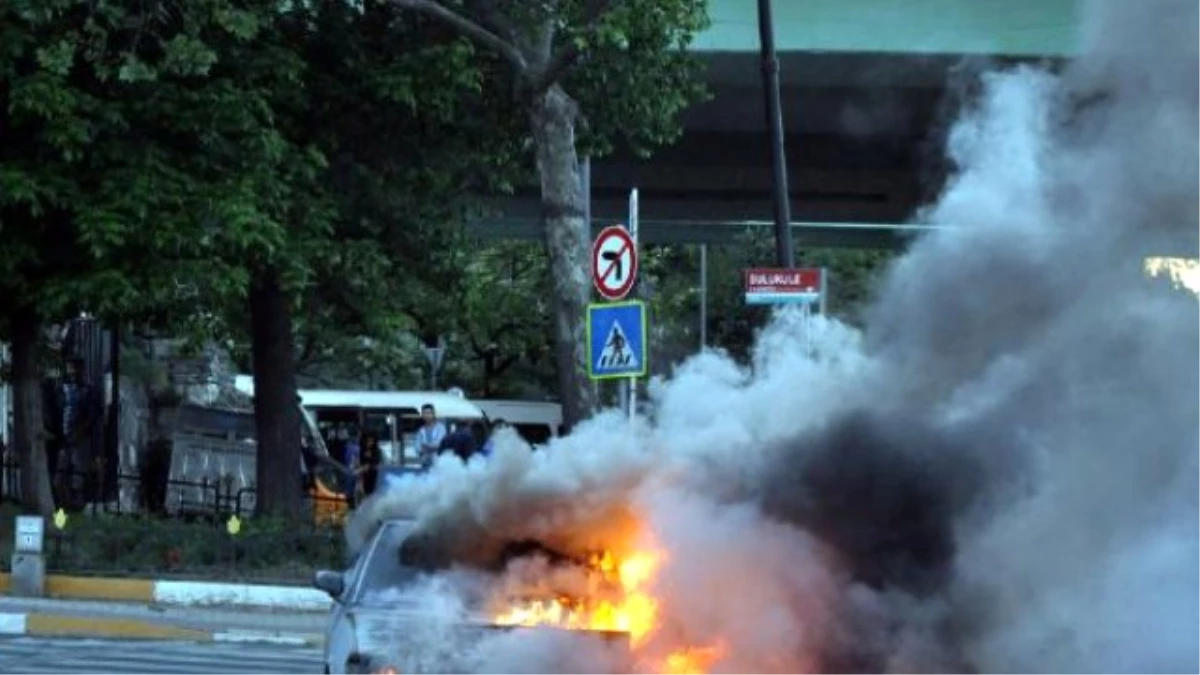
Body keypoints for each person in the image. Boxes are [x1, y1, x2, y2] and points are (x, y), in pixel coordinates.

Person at [55, 357, 99, 509]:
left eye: (75, 369)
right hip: (65, 438)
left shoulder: (87, 390)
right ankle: (64, 513)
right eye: (70, 369)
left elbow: (91, 416)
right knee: (60, 479)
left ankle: (75, 512)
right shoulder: (63, 389)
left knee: (77, 479)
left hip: (80, 437)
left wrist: (79, 433)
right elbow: (59, 412)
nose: (72, 373)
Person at [415, 404, 447, 468]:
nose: (427, 415)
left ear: (433, 414)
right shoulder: (421, 430)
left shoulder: (441, 428)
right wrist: (430, 448)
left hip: (438, 463)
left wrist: (427, 447)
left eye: (429, 413)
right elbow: (417, 447)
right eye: (424, 413)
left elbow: (439, 444)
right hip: (425, 463)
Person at [356, 431, 381, 499]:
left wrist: (365, 467)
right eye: (368, 441)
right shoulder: (362, 450)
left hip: (372, 475)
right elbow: (359, 462)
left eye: (372, 441)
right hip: (363, 476)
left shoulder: (376, 451)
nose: (370, 443)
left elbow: (375, 464)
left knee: (370, 493)